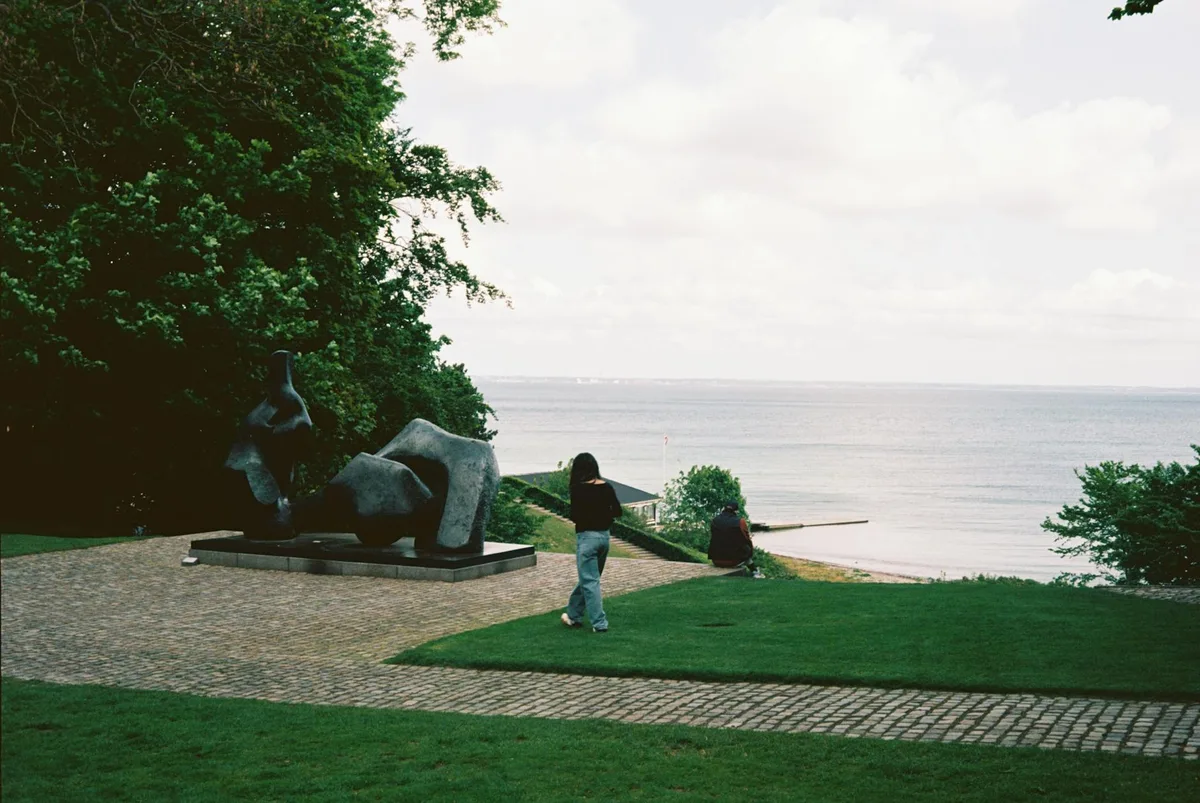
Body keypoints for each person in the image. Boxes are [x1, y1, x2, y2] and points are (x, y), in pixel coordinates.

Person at [561, 452, 621, 633]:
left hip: (587, 538)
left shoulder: (577, 489)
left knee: (590, 581)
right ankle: (573, 615)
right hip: (604, 537)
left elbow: (574, 516)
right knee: (589, 579)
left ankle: (599, 623)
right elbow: (617, 511)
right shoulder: (607, 487)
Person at [709, 501, 765, 578]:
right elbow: (747, 539)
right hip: (733, 561)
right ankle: (754, 572)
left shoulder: (715, 520)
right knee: (746, 548)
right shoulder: (740, 522)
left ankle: (754, 571)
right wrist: (750, 552)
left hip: (716, 560)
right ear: (736, 511)